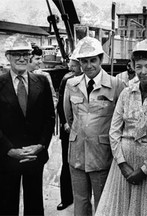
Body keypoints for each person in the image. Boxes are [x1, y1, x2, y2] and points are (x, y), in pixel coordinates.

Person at [95, 39, 147, 216]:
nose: (143, 72)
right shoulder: (126, 93)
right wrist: (122, 164)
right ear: (133, 67)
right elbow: (114, 131)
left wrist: (144, 170)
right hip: (123, 168)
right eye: (138, 66)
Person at [63, 36, 125, 216]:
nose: (88, 65)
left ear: (101, 60)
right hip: (77, 154)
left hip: (102, 155)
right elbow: (69, 116)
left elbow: (121, 121)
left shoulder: (116, 85)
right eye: (84, 61)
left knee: (103, 203)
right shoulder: (71, 84)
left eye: (92, 60)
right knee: (80, 202)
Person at [0, 34, 55, 215]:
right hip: (7, 157)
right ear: (7, 56)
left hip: (34, 156)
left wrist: (40, 145)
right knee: (7, 204)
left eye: (25, 53)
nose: (22, 58)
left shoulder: (41, 81)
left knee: (34, 205)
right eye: (16, 54)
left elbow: (49, 118)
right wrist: (9, 150)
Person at [56, 54, 82, 211]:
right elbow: (61, 105)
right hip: (69, 129)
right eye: (72, 65)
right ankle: (66, 198)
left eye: (74, 65)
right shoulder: (67, 80)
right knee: (67, 163)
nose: (71, 68)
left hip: (87, 130)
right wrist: (65, 122)